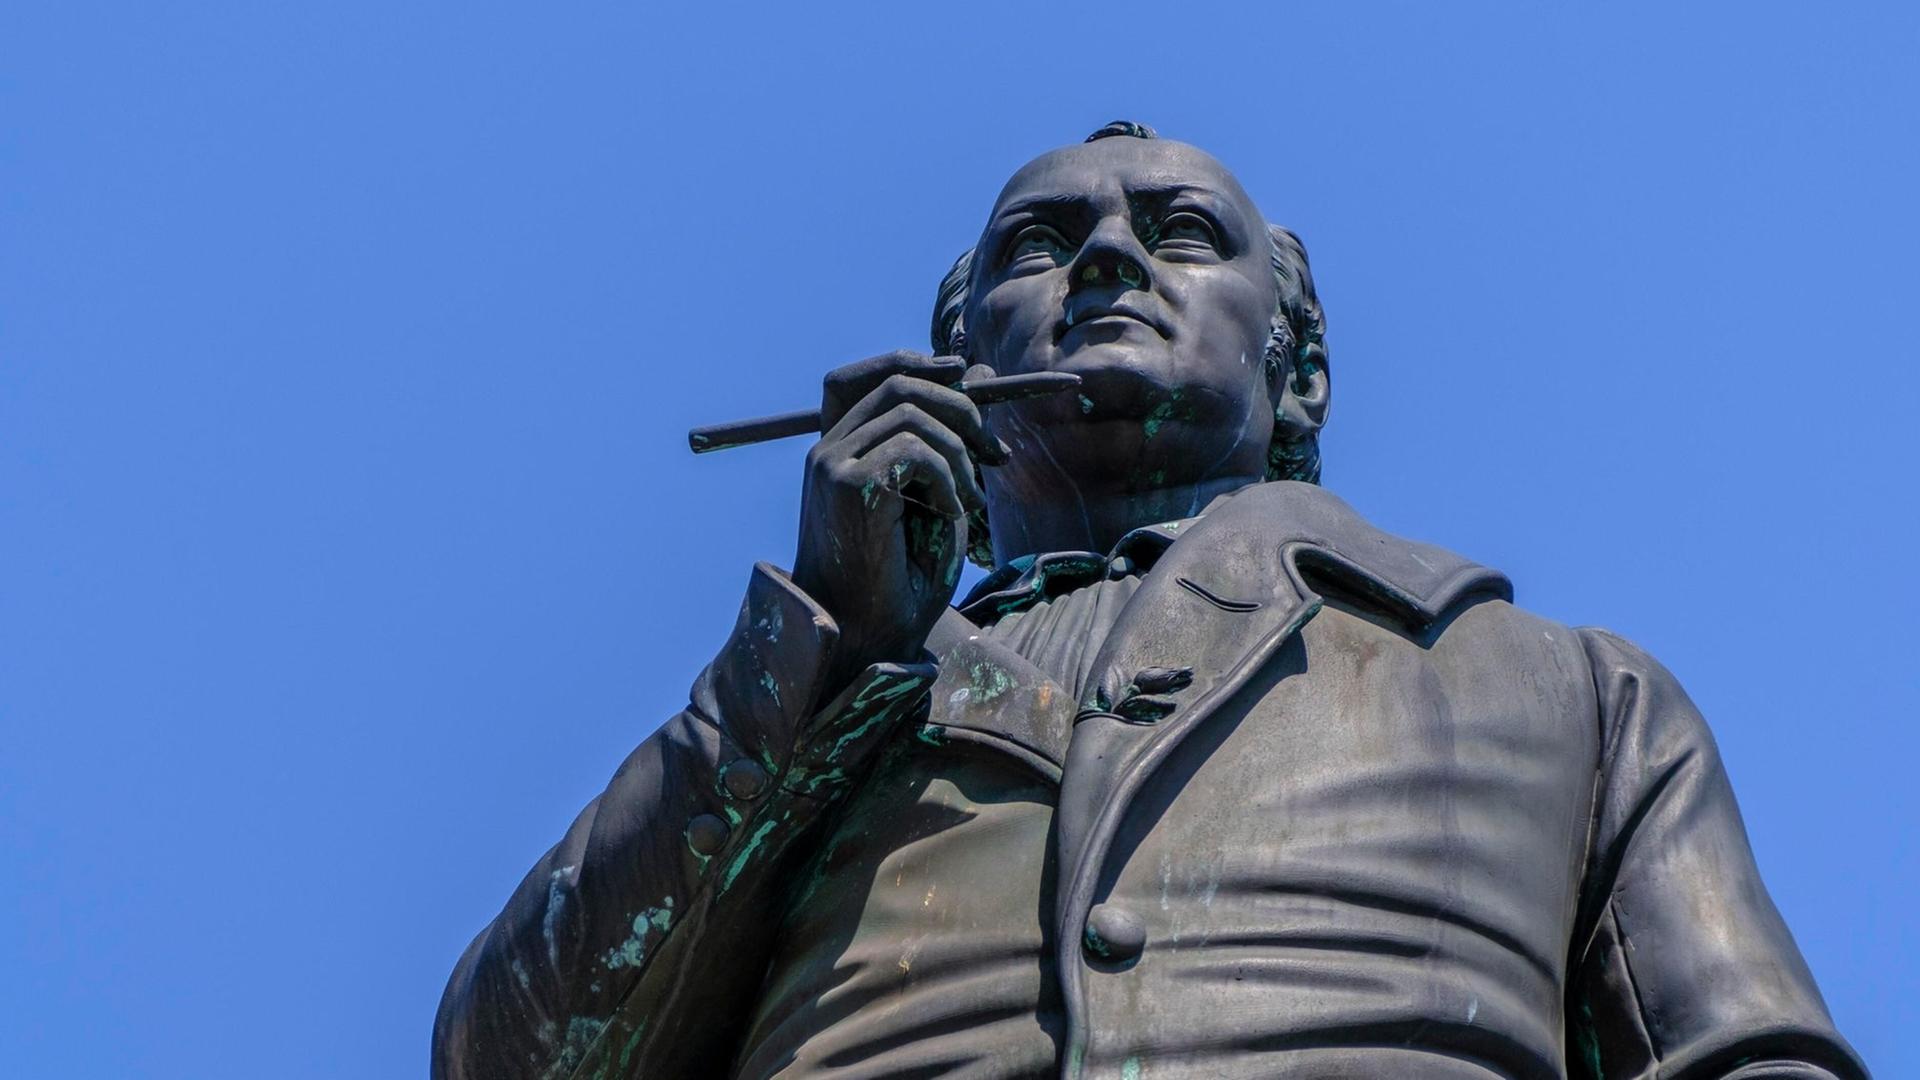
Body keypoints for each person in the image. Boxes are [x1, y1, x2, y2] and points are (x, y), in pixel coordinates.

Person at [433, 123, 1864, 1080]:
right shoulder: (822, 699)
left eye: (1180, 232)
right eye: (1037, 248)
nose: (1106, 260)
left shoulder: (1569, 693)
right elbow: (510, 1056)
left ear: (1297, 372)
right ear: (961, 373)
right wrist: (812, 651)